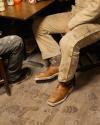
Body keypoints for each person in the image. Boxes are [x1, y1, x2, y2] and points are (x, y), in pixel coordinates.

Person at [31, 0, 100, 106]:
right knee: (38, 25)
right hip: (76, 14)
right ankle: (58, 62)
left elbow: (96, 8)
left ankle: (65, 83)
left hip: (95, 20)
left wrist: (72, 24)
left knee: (67, 42)